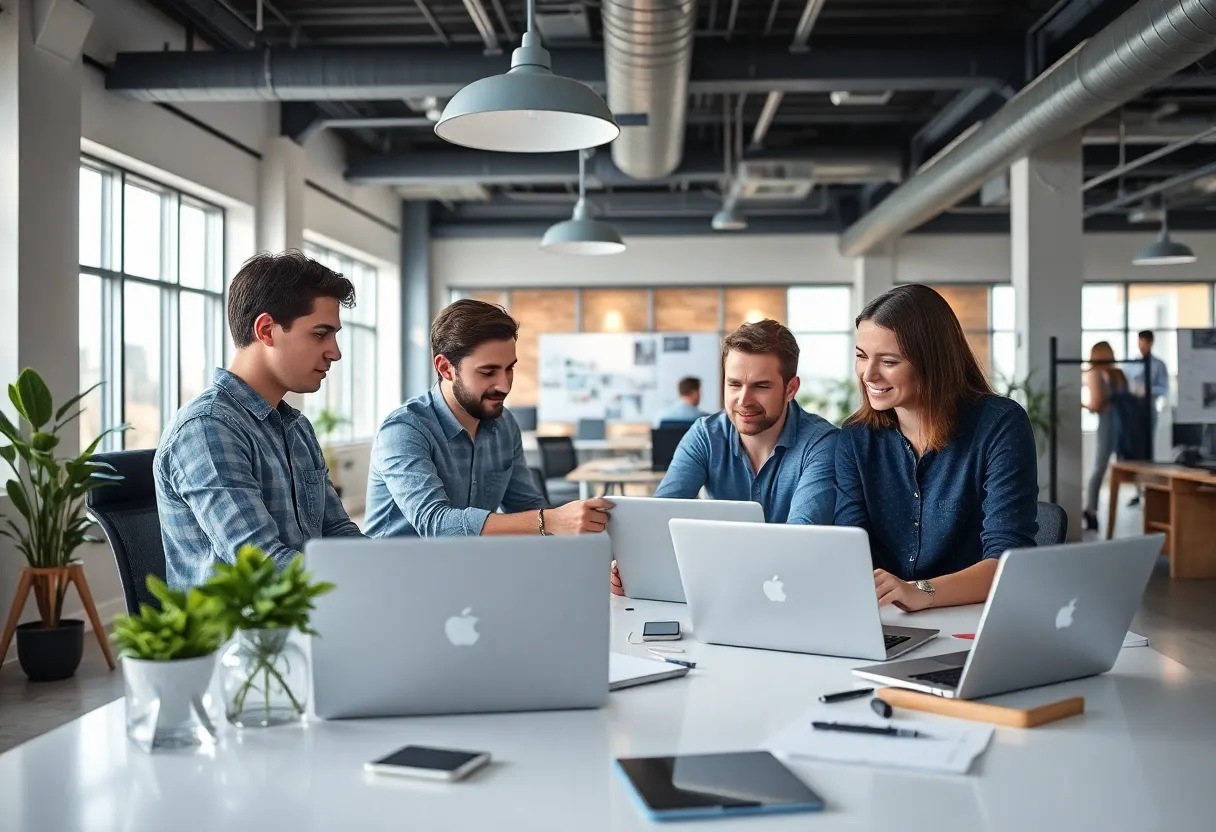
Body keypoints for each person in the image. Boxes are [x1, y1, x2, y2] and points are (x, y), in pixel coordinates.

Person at [155, 251, 365, 589]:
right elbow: (263, 564)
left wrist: (385, 570)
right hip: (250, 621)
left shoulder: (296, 428)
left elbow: (337, 531)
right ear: (266, 330)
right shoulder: (208, 428)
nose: (335, 352)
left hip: (311, 607)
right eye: (320, 334)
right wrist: (362, 584)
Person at [834, 284, 1038, 612]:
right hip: (887, 617)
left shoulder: (999, 424)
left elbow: (1009, 560)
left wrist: (920, 591)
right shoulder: (856, 438)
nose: (868, 374)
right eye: (861, 356)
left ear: (933, 362)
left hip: (976, 615)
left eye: (889, 361)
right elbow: (850, 550)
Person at [365, 299, 612, 538]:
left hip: (472, 562)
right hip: (400, 565)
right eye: (488, 372)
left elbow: (527, 506)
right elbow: (436, 525)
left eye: (509, 368)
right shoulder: (404, 430)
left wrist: (579, 530)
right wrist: (550, 521)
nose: (504, 385)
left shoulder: (505, 425)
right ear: (445, 368)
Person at [1083, 341, 1130, 531]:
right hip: (1124, 424)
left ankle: (1091, 509)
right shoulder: (1118, 374)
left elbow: (1096, 404)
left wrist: (1081, 405)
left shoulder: (1094, 374)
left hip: (1107, 423)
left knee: (1099, 466)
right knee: (1129, 462)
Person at [1126, 330, 1168, 506]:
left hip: (1149, 410)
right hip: (1132, 412)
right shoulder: (1130, 363)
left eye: (1145, 343)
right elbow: (1124, 385)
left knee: (1147, 451)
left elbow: (1164, 389)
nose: (1142, 346)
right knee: (1134, 450)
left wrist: (1146, 390)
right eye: (1140, 343)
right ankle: (1137, 491)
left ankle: (1148, 490)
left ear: (1151, 343)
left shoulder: (1159, 365)